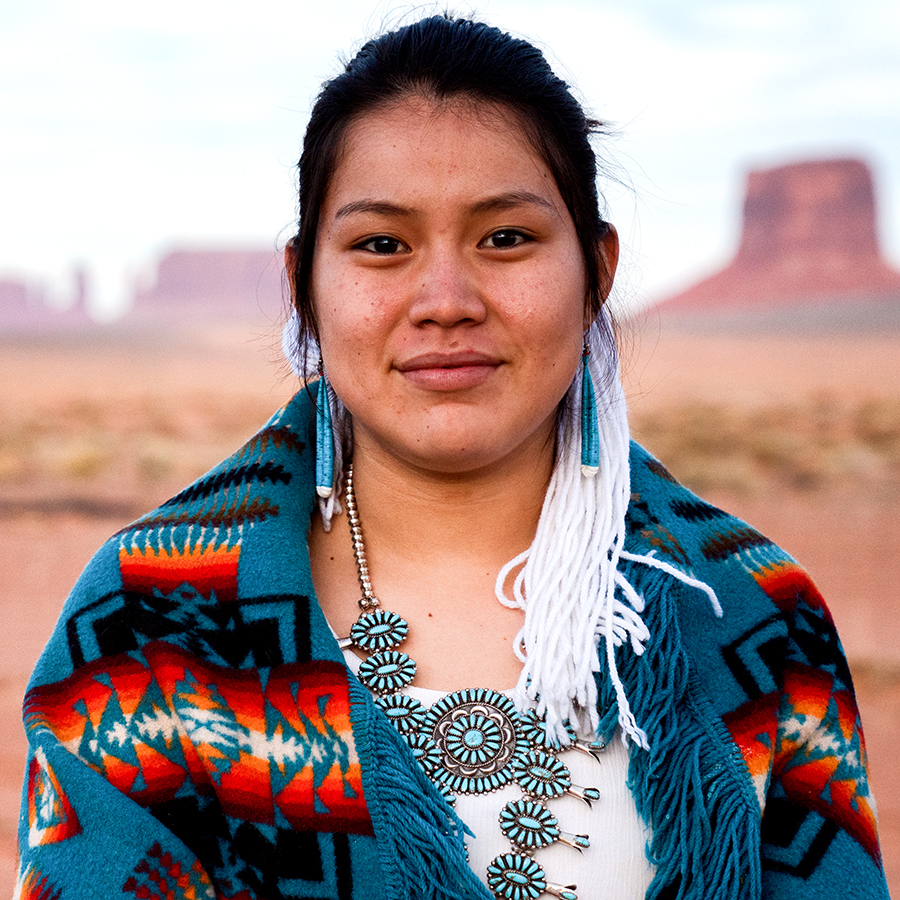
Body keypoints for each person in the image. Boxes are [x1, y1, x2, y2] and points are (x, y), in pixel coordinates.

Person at [16, 15, 888, 900]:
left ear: (597, 270)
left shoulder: (757, 616)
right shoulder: (149, 627)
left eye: (505, 238)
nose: (446, 301)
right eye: (382, 245)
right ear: (303, 285)